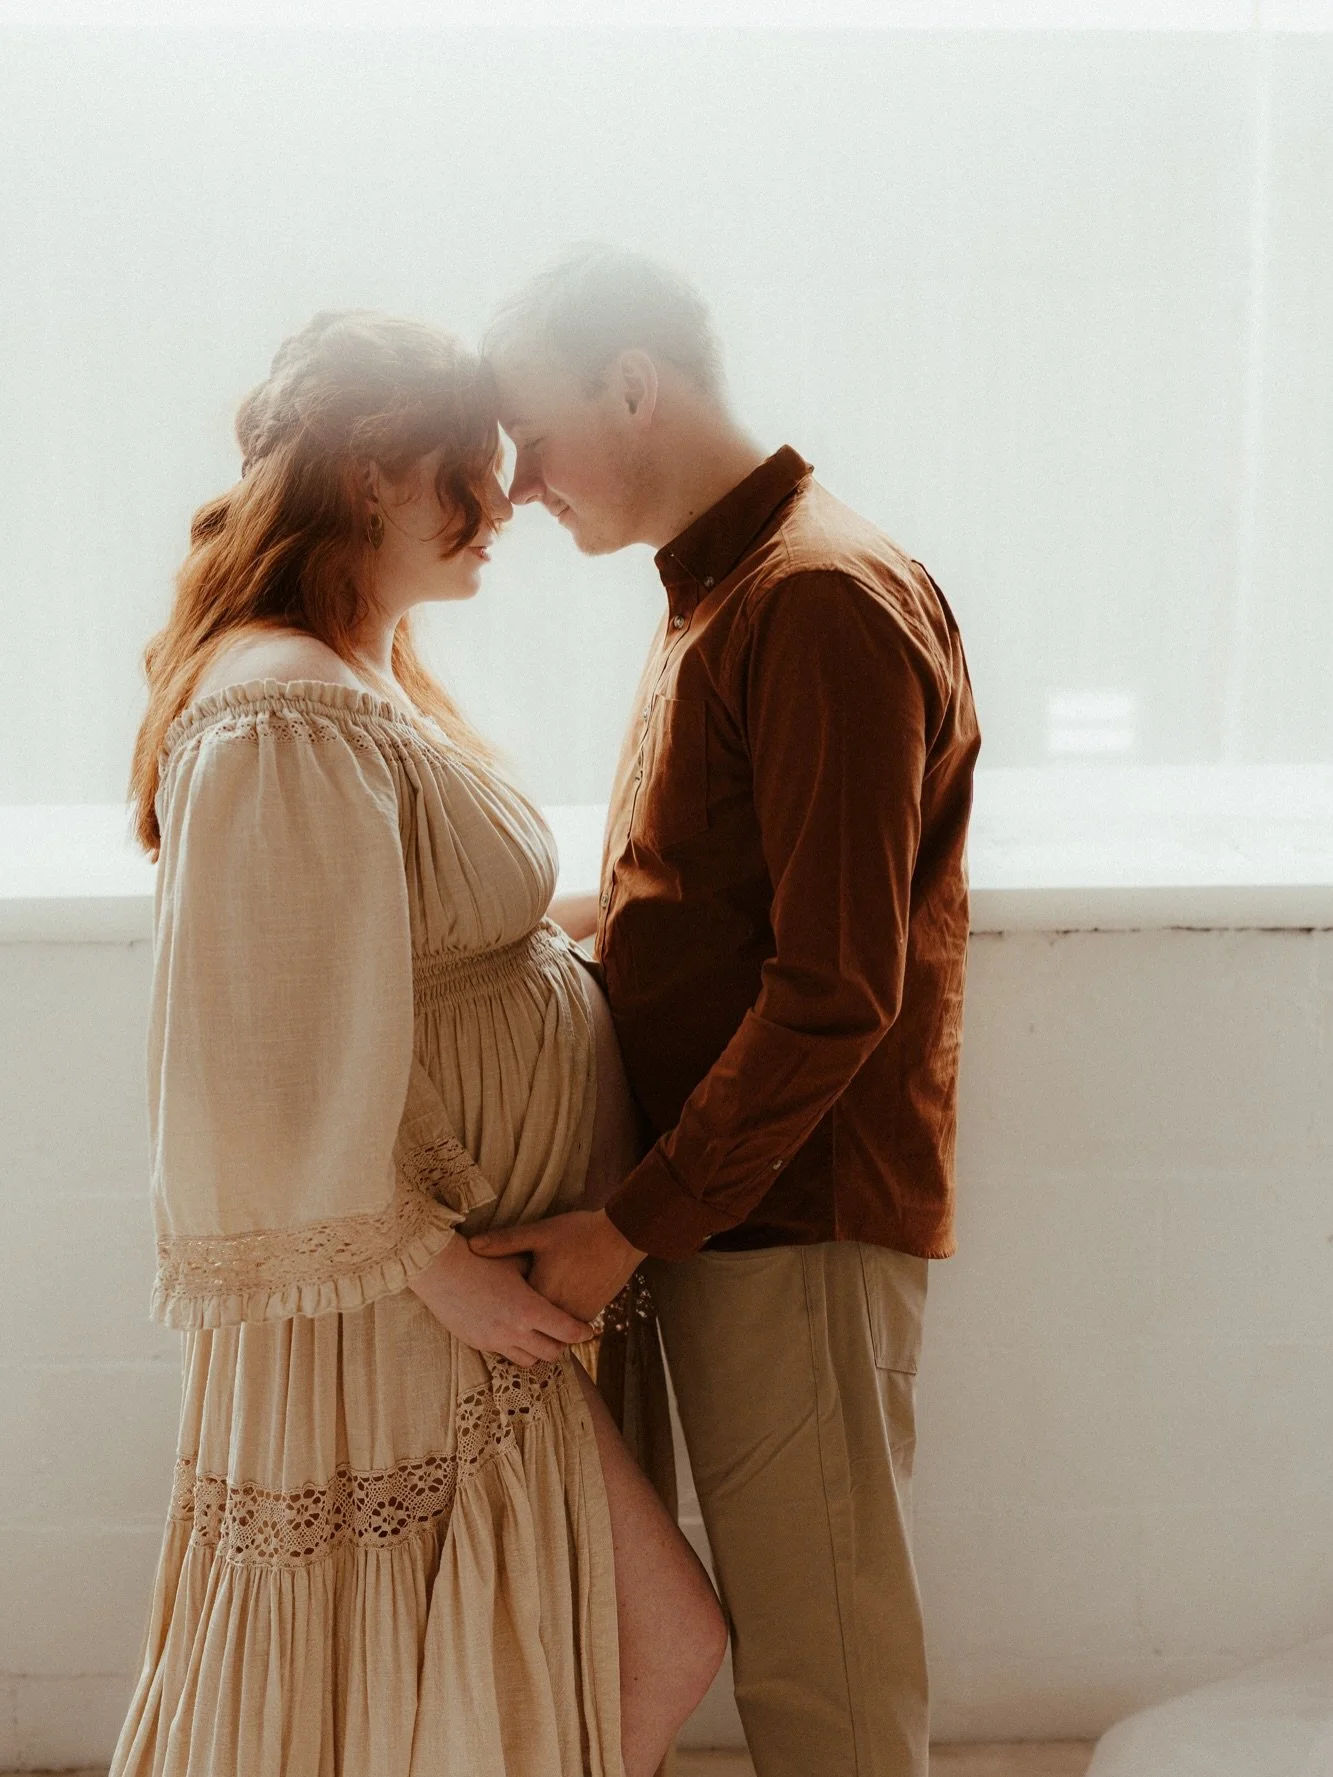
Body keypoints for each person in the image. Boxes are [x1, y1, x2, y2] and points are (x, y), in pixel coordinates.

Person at [113, 309, 725, 1777]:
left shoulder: (356, 674)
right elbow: (250, 1052)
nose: (509, 496)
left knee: (500, 1663)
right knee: (651, 1642)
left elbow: (430, 935)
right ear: (380, 470)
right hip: (412, 1289)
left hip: (448, 1271)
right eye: (475, 462)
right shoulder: (281, 708)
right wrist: (432, 1272)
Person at [473, 247, 982, 1777]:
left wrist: (631, 1225)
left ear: (632, 386)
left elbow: (834, 993)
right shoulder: (723, 591)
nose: (514, 484)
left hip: (792, 1221)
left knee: (824, 1677)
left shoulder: (815, 600)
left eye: (531, 432)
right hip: (725, 1212)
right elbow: (695, 917)